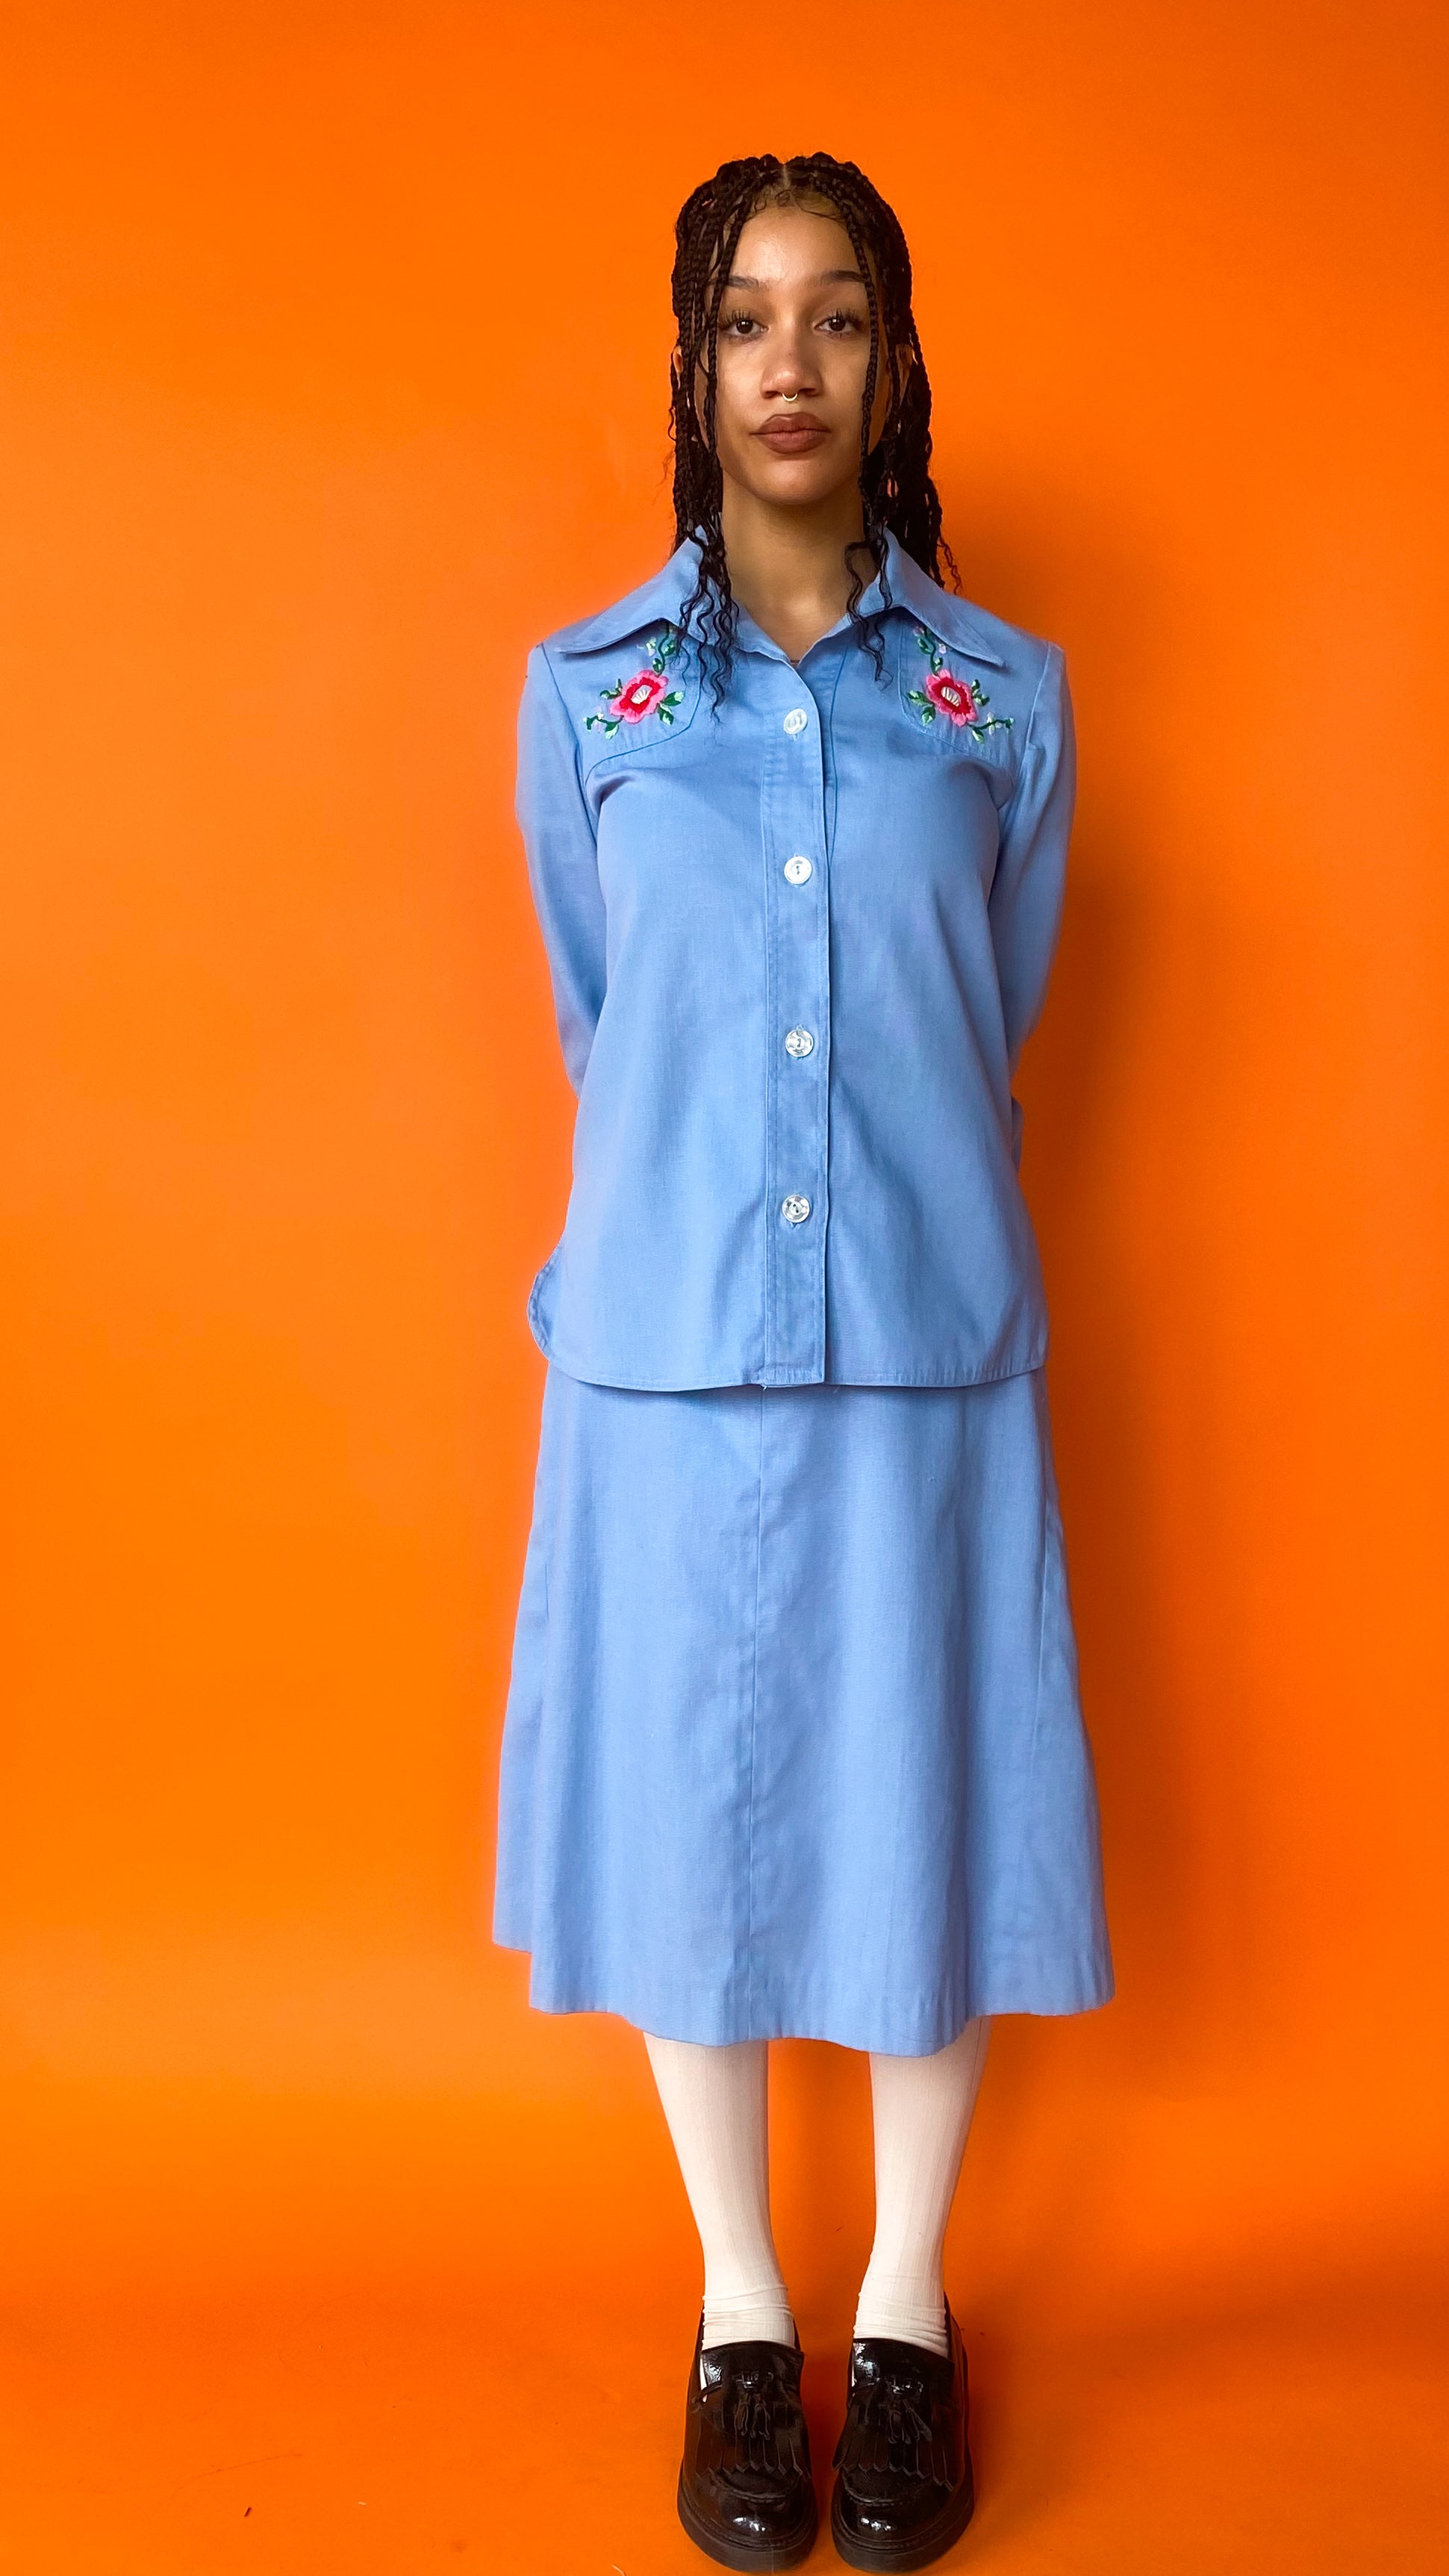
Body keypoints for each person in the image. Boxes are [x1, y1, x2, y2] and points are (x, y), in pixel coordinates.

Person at [493, 152, 1112, 2572]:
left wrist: (875, 1195)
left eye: (836, 316)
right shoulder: (589, 699)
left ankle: (904, 2309)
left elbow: (988, 1010)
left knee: (921, 1801)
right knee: (694, 1821)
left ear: (894, 361)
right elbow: (608, 1020)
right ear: (691, 363)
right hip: (661, 1359)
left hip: (926, 1342)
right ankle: (742, 2306)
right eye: (745, 318)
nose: (790, 363)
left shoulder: (1004, 701)